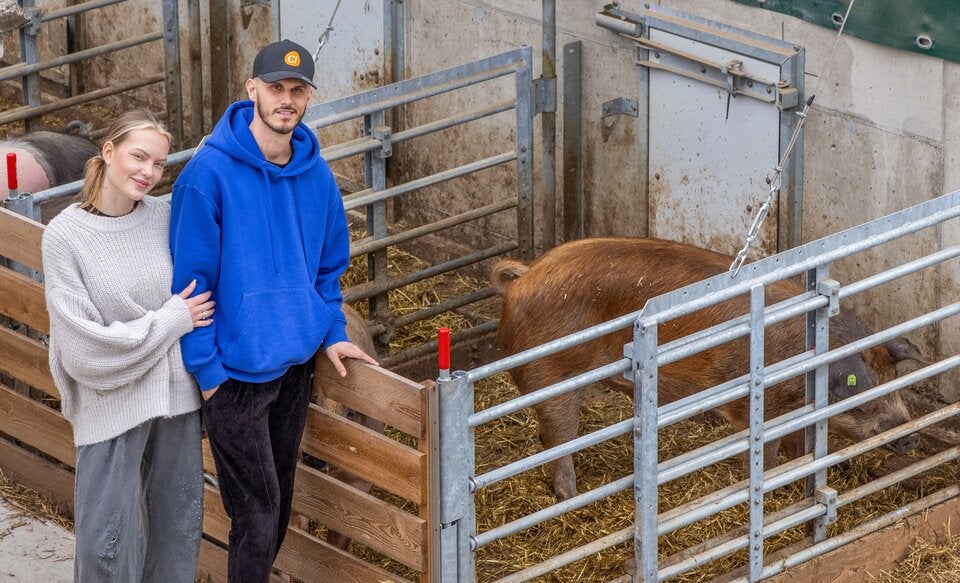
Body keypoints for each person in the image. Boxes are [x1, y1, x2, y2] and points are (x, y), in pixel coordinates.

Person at [169, 39, 378, 581]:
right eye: (276, 88)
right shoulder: (207, 175)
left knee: (277, 508)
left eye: (297, 90)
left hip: (292, 369)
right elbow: (191, 283)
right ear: (252, 89)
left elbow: (328, 270)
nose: (287, 99)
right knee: (257, 517)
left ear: (307, 97)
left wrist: (330, 330)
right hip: (233, 376)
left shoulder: (317, 175)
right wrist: (209, 374)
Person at [42, 109, 215, 582]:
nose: (148, 173)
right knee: (105, 545)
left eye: (159, 164)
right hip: (109, 405)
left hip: (176, 402)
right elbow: (85, 351)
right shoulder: (65, 237)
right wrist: (170, 320)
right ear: (108, 151)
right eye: (139, 157)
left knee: (175, 537)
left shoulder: (165, 217)